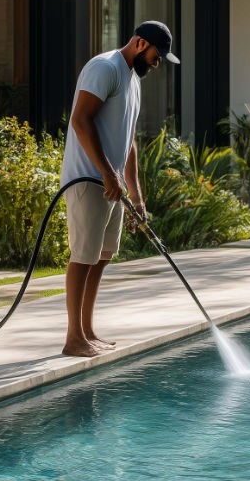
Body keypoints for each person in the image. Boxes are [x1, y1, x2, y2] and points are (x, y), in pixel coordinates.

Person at [59, 20, 180, 357]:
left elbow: (129, 143)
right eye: (158, 56)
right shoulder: (105, 67)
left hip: (111, 185)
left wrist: (135, 194)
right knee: (84, 256)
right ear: (141, 43)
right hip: (87, 179)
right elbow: (80, 120)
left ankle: (87, 331)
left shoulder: (132, 80)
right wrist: (108, 175)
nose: (158, 64)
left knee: (102, 256)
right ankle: (73, 338)